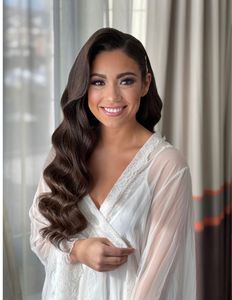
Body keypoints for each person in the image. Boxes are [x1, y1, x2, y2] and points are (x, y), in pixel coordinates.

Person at [29, 27, 196, 300]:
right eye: (98, 82)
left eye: (126, 81)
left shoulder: (167, 165)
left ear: (145, 84)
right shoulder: (66, 151)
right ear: (84, 87)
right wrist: (78, 250)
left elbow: (158, 276)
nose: (112, 97)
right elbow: (39, 233)